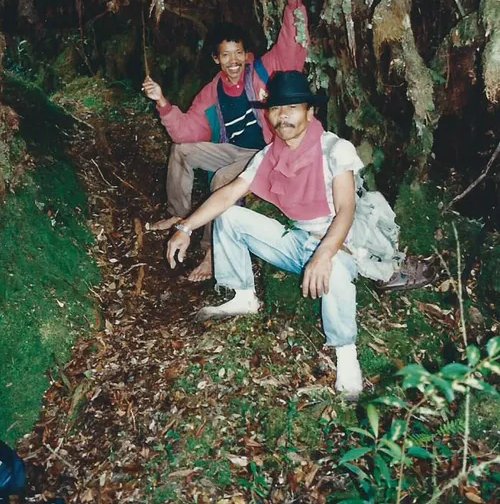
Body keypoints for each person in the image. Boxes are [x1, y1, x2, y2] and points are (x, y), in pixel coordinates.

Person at [165, 70, 408, 401]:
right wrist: (186, 227)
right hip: (297, 242)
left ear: (310, 111)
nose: (283, 116)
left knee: (333, 267)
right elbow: (228, 193)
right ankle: (243, 296)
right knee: (230, 215)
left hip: (341, 244)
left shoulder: (335, 149)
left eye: (292, 107)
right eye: (277, 108)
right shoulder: (270, 154)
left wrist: (323, 254)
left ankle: (346, 352)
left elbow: (346, 210)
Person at [143, 0, 309, 282]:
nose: (233, 62)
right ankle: (179, 216)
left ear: (247, 56)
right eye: (225, 56)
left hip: (264, 154)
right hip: (232, 150)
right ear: (216, 59)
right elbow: (187, 131)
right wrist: (162, 101)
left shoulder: (263, 72)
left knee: (221, 178)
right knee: (181, 150)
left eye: (238, 54)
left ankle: (211, 252)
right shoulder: (212, 92)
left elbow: (292, 46)